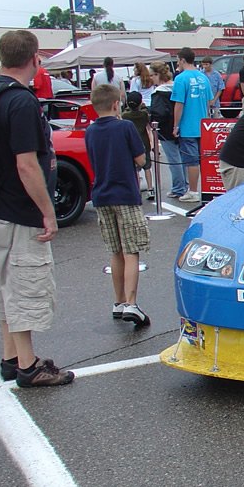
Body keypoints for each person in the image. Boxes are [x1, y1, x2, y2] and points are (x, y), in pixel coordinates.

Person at [0, 30, 73, 386]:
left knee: (2, 281)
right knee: (25, 284)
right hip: (17, 208)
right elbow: (27, 164)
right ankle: (29, 367)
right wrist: (48, 212)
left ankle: (10, 356)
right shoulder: (21, 102)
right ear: (35, 59)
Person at [85, 84, 150, 327]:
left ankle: (119, 301)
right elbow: (141, 159)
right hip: (125, 193)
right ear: (115, 104)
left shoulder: (90, 131)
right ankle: (132, 303)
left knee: (115, 250)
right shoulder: (125, 127)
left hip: (102, 195)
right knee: (131, 249)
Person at [170, 47, 213, 204]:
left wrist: (176, 125)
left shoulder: (180, 79)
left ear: (182, 60)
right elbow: (210, 101)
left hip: (188, 126)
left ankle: (193, 191)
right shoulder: (203, 77)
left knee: (192, 161)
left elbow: (179, 104)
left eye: (178, 60)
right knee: (204, 159)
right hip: (203, 124)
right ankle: (206, 189)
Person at [148, 62, 187, 199]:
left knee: (173, 160)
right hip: (182, 125)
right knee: (182, 158)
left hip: (166, 130)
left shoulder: (159, 92)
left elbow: (160, 113)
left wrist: (152, 118)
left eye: (152, 75)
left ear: (158, 75)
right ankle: (184, 185)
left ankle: (178, 188)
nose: (151, 78)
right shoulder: (177, 86)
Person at [122, 91, 154, 200]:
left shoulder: (125, 115)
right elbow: (148, 122)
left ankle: (137, 190)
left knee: (135, 169)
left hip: (131, 143)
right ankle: (150, 189)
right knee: (147, 167)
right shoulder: (144, 114)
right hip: (144, 142)